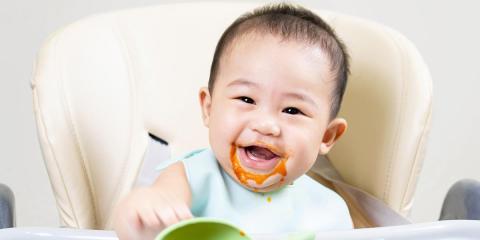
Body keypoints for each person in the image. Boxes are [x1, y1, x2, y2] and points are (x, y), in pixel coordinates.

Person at [114, 3, 353, 239]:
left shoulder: (330, 212)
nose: (266, 125)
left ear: (326, 136)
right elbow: (145, 216)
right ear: (209, 108)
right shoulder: (189, 177)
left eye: (292, 110)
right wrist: (143, 211)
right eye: (246, 99)